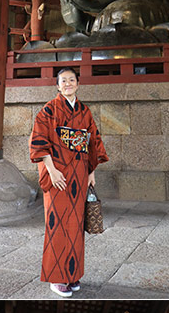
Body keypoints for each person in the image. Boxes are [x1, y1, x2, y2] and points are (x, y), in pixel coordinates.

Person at [29, 67, 109, 296]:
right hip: (58, 175)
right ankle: (57, 277)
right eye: (63, 81)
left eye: (71, 80)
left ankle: (72, 275)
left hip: (79, 174)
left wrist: (91, 171)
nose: (67, 84)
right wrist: (51, 170)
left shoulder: (84, 111)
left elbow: (92, 141)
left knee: (75, 226)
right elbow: (39, 140)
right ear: (57, 85)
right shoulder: (49, 110)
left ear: (78, 84)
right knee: (57, 224)